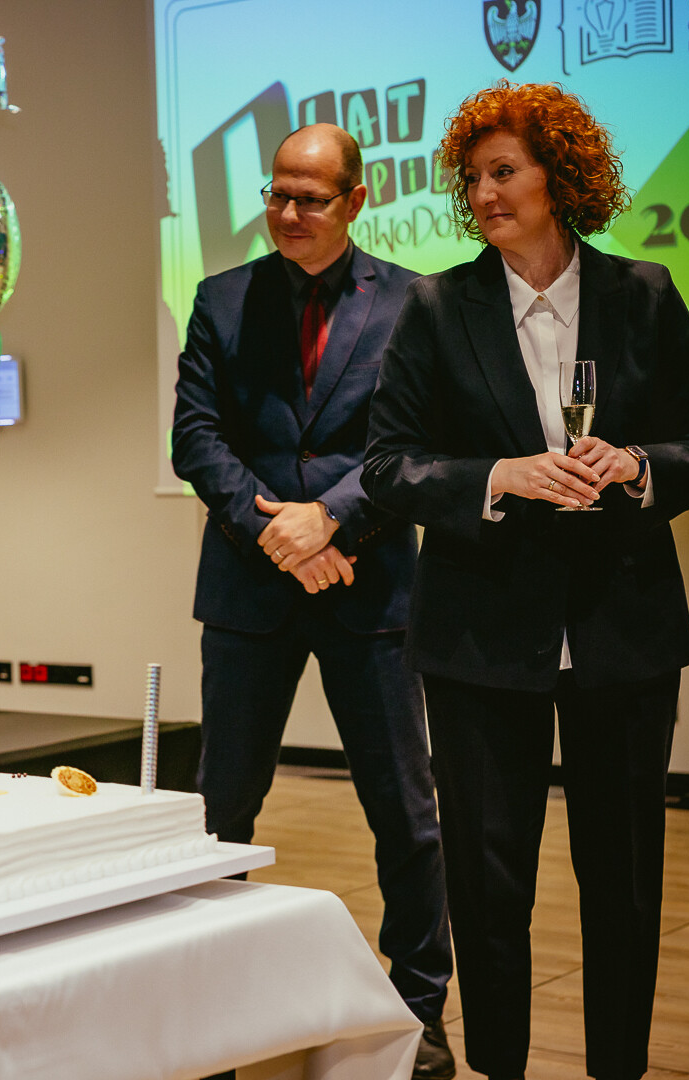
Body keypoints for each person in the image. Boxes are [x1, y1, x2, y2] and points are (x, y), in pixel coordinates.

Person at [363, 82, 689, 1080]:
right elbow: (389, 466)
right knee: (489, 887)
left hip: (625, 630)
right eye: (471, 178)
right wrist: (500, 476)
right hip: (480, 638)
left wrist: (638, 465)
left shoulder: (643, 294)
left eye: (504, 172)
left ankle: (619, 1067)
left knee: (623, 880)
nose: (483, 194)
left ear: (558, 177)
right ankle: (502, 1070)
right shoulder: (434, 307)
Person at [172, 123, 455, 1080]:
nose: (288, 213)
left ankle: (418, 1015)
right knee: (222, 811)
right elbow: (196, 437)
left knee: (405, 817)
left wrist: (329, 523)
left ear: (356, 200)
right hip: (248, 587)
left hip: (370, 588)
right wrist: (278, 535)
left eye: (311, 199)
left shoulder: (413, 302)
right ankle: (208, 1010)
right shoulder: (222, 298)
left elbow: (415, 445)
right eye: (277, 194)